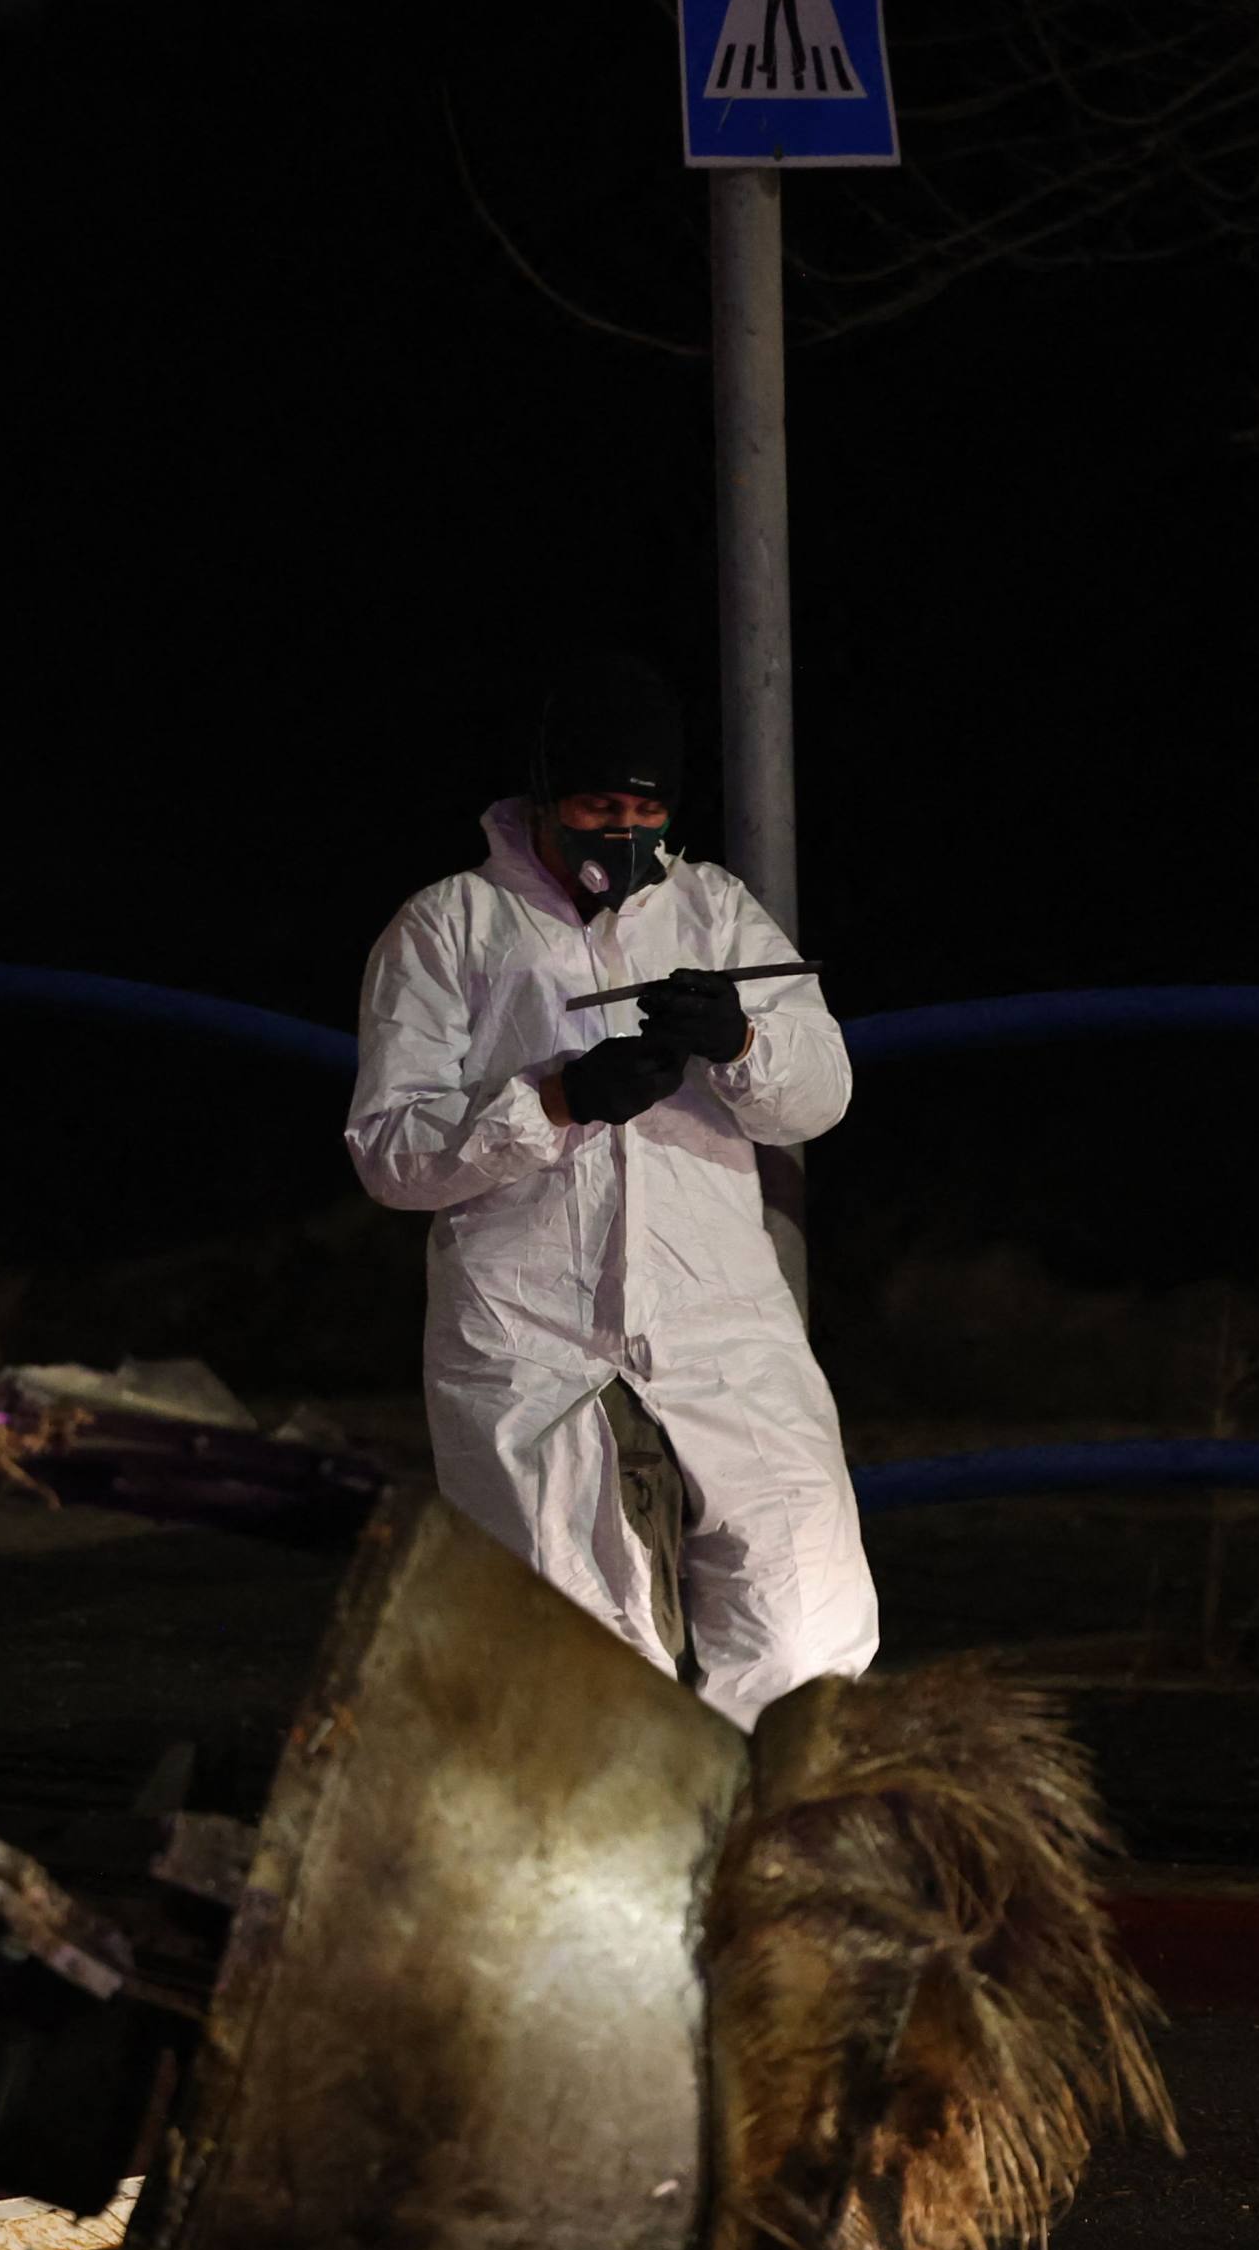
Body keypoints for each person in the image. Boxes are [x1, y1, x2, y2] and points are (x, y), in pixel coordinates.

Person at [346, 650, 880, 1727]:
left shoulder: (717, 914)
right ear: (546, 794)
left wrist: (738, 1040)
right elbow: (391, 1152)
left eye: (645, 806)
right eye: (597, 802)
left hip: (719, 1320)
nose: (622, 831)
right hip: (533, 1335)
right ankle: (620, 1881)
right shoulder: (448, 928)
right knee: (578, 1662)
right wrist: (553, 1102)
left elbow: (821, 1091)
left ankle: (761, 1866)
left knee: (806, 1623)